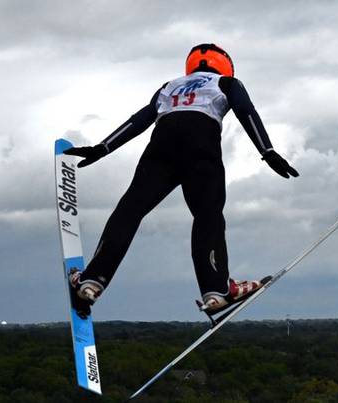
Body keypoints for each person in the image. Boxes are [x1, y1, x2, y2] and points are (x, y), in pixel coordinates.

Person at [65, 43, 298, 317]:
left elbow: (138, 120)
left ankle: (91, 282)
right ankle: (216, 291)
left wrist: (102, 148)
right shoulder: (226, 82)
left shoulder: (170, 86)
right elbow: (246, 110)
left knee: (130, 209)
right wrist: (266, 151)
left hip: (162, 144)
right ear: (224, 64)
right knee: (207, 215)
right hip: (201, 142)